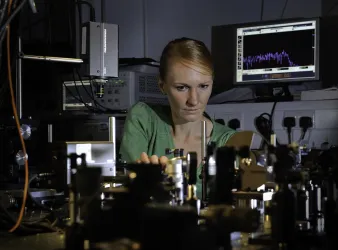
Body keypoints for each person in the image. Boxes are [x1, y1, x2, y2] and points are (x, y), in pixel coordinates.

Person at [119, 37, 236, 198]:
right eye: (182, 88)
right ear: (162, 86)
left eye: (203, 86)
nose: (194, 100)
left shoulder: (228, 141)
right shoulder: (144, 119)